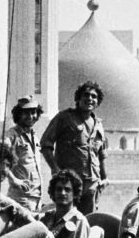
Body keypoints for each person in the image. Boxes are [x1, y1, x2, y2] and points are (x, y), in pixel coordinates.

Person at [41, 81, 107, 214]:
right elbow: (45, 145)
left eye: (94, 96)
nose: (90, 99)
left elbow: (101, 154)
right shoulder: (64, 118)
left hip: (91, 185)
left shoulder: (98, 124)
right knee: (65, 221)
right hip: (69, 183)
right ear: (78, 98)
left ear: (98, 101)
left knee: (87, 221)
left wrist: (104, 179)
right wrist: (56, 170)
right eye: (86, 95)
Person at [0, 95, 45, 211]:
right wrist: (13, 179)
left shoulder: (34, 136)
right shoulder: (12, 135)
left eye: (33, 112)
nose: (30, 116)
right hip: (21, 198)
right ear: (18, 114)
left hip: (37, 197)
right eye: (26, 113)